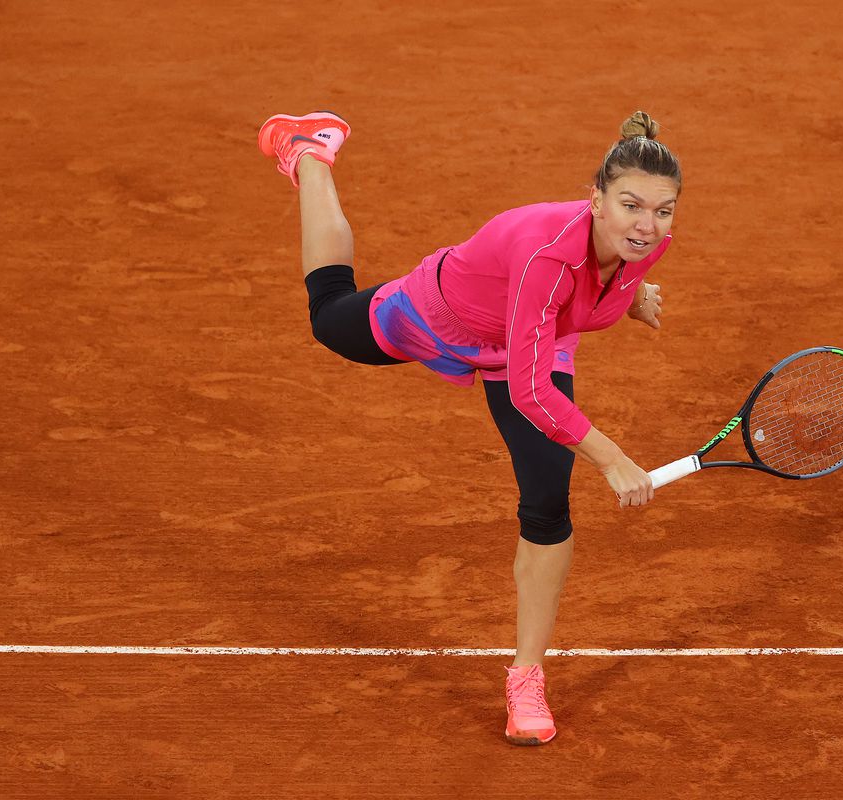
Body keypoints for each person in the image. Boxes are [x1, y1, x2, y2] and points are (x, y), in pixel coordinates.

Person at [257, 109, 681, 746]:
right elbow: (532, 393)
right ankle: (311, 153)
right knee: (330, 319)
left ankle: (527, 677)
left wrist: (630, 300)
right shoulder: (546, 254)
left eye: (664, 210)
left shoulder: (642, 243)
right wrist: (612, 458)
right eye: (631, 206)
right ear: (595, 199)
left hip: (533, 342)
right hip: (440, 317)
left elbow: (561, 330)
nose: (648, 226)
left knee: (546, 500)